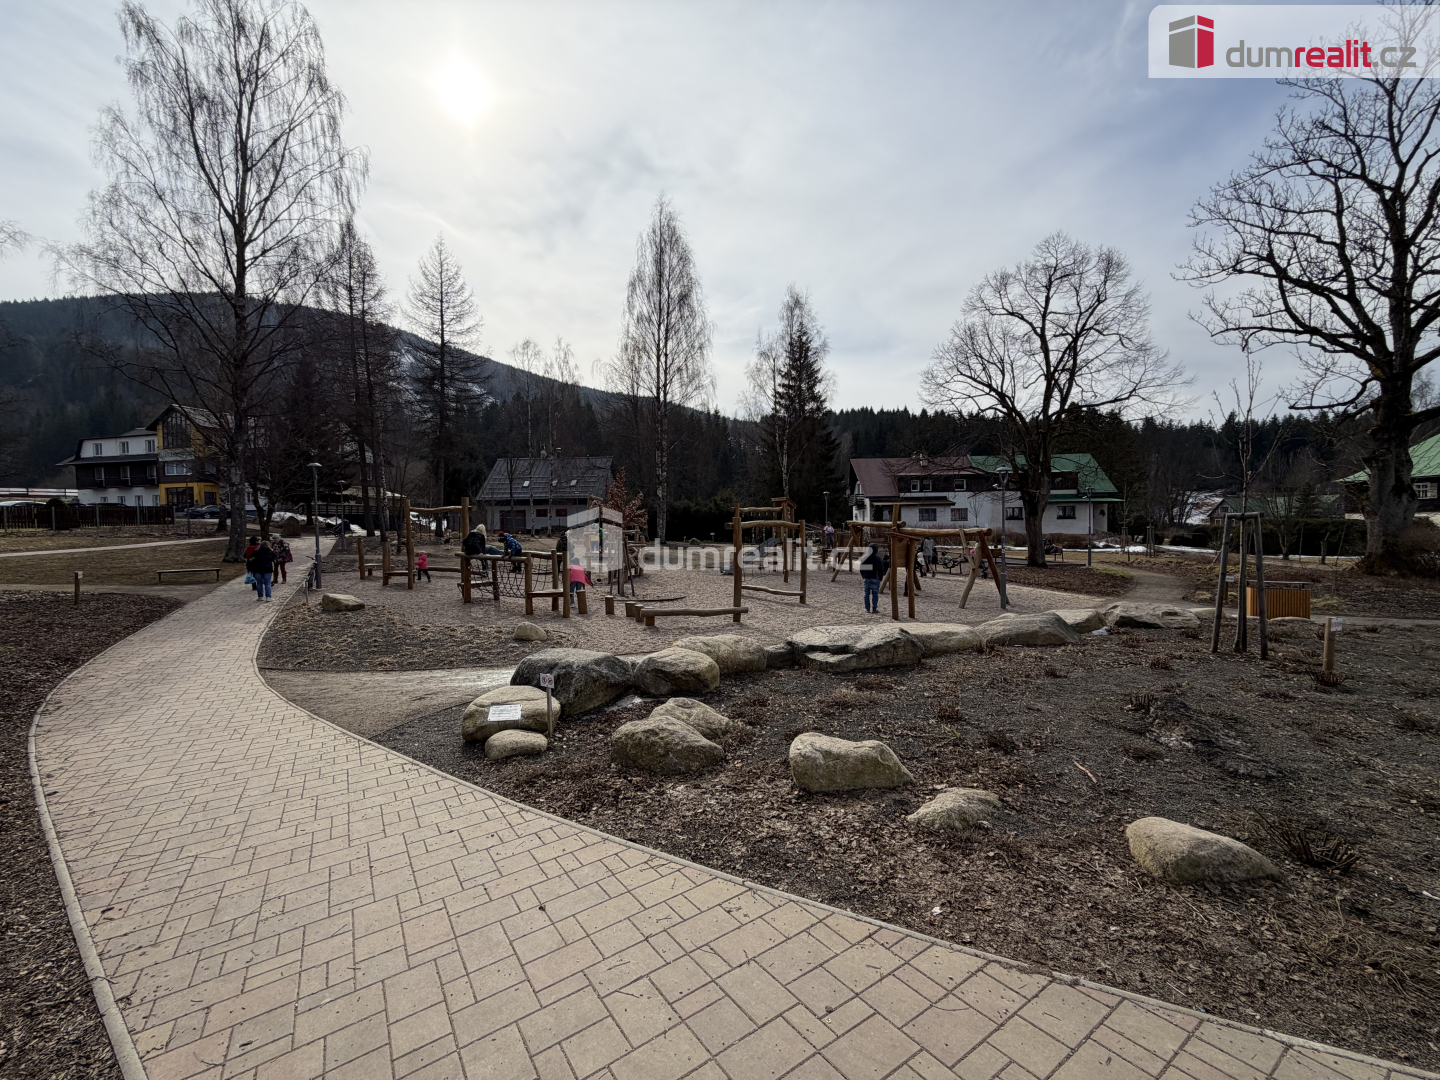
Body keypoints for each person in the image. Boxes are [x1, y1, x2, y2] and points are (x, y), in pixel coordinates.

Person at [858, 541, 887, 613]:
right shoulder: (878, 559)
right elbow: (881, 570)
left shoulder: (864, 558)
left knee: (866, 594)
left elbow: (861, 569)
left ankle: (867, 608)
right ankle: (874, 608)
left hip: (867, 578)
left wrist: (864, 576)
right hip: (875, 578)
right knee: (875, 595)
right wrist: (880, 578)